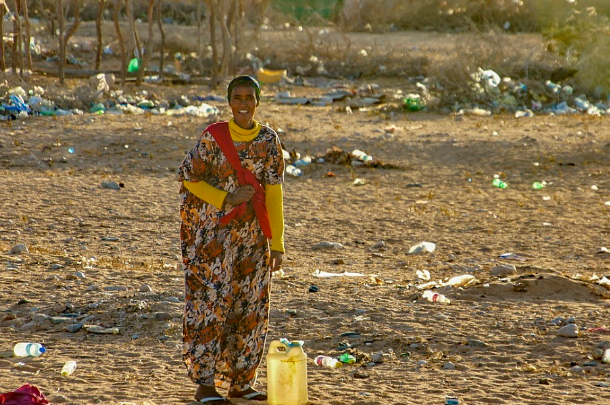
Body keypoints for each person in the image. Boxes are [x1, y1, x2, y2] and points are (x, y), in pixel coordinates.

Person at [177, 75, 285, 404]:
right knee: (210, 305)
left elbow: (274, 193)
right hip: (213, 236)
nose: (243, 103)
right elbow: (188, 176)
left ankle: (241, 382)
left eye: (249, 97)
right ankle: (205, 385)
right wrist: (227, 198)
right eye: (236, 97)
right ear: (229, 102)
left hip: (252, 238)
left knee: (250, 306)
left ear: (257, 102)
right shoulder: (213, 138)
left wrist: (277, 242)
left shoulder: (268, 141)